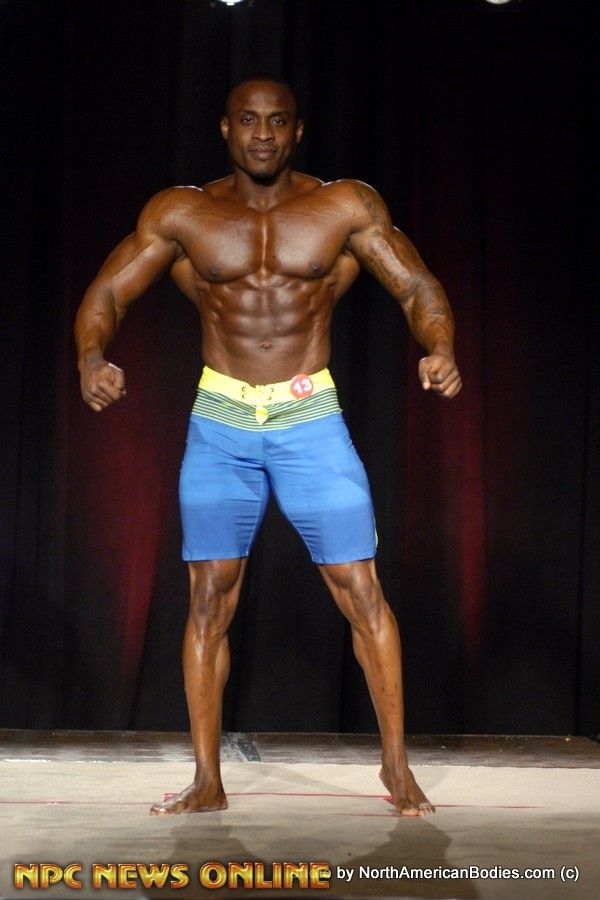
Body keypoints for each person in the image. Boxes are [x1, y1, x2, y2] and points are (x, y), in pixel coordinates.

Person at [75, 74, 461, 818]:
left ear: (297, 130)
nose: (262, 134)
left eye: (277, 121)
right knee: (208, 599)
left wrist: (439, 346)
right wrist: (92, 357)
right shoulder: (182, 212)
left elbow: (417, 286)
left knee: (362, 591)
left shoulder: (342, 206)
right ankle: (207, 780)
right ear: (225, 128)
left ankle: (396, 765)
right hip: (220, 419)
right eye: (248, 120)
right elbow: (109, 292)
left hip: (307, 416)